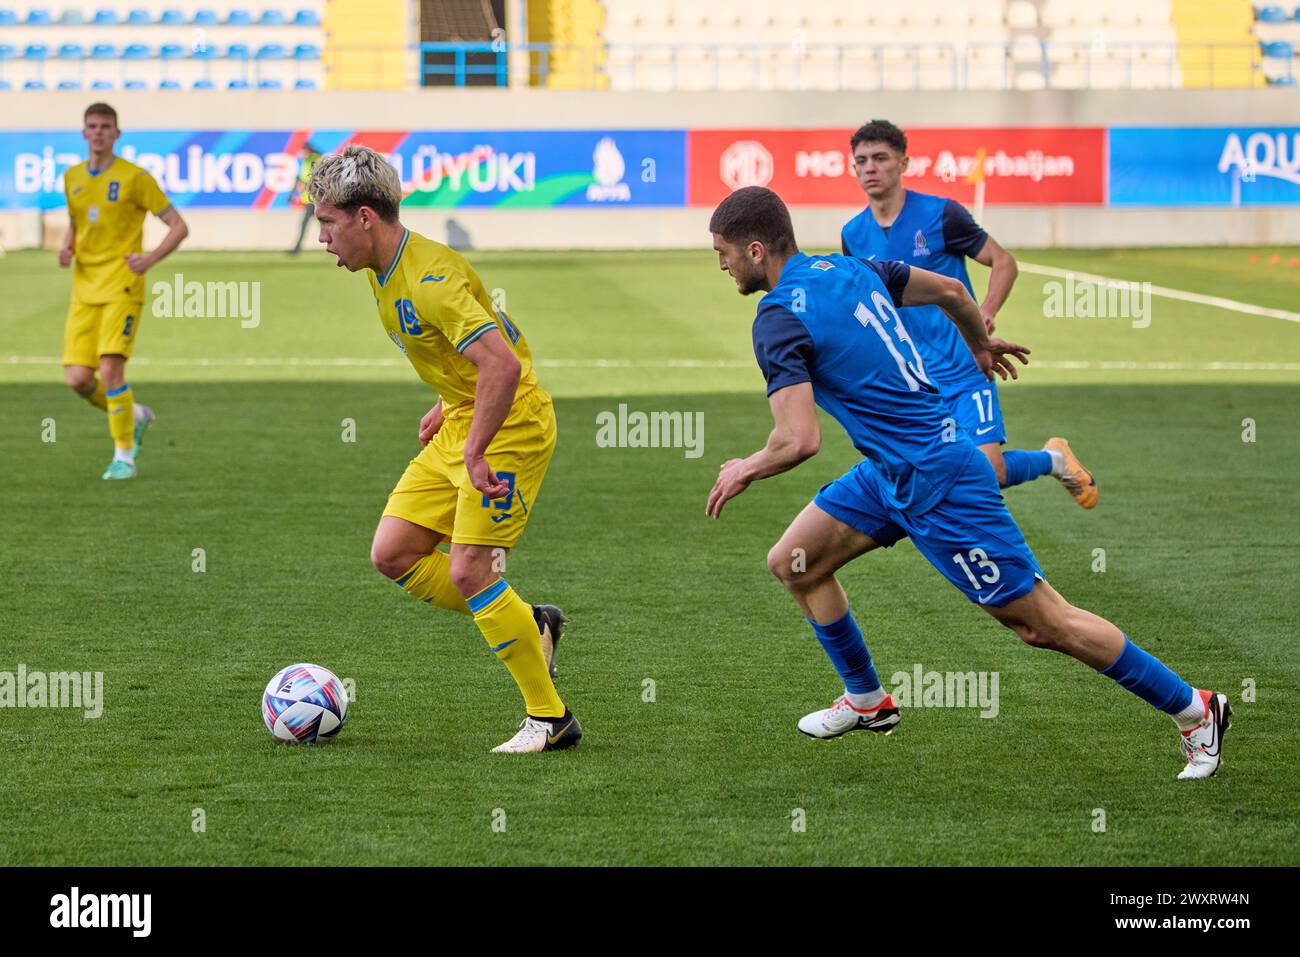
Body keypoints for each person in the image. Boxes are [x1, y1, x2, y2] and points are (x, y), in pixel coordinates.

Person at [706, 186, 1229, 780]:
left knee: (1042, 623)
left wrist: (745, 467)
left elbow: (798, 440)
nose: (720, 265)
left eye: (723, 253)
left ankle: (1195, 709)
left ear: (754, 250)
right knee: (796, 562)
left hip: (937, 479)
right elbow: (954, 291)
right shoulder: (850, 266)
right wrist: (979, 343)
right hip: (891, 471)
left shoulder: (776, 318)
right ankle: (868, 701)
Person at [309, 145, 579, 753]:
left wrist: (477, 448)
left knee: (469, 567)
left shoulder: (430, 279)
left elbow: (503, 366)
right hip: (467, 413)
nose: (322, 236)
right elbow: (474, 355)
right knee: (394, 552)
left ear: (365, 219)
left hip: (510, 425)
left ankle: (551, 719)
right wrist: (449, 397)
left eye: (327, 222)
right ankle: (532, 622)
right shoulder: (385, 269)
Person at [842, 119, 1096, 507]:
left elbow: (1003, 261)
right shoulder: (852, 234)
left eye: (880, 158)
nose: (870, 168)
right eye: (861, 161)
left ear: (903, 163)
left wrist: (986, 312)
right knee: (932, 475)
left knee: (989, 471)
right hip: (911, 379)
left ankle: (1053, 460)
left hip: (964, 364)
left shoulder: (942, 215)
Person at [59, 102, 188, 479]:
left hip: (122, 285)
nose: (98, 132)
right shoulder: (72, 177)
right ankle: (134, 414)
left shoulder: (136, 178)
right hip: (84, 288)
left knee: (110, 368)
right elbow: (75, 223)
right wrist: (68, 246)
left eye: (105, 126)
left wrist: (149, 260)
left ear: (117, 134)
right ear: (84, 133)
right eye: (92, 126)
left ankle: (124, 457)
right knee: (78, 379)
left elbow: (178, 226)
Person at [288, 141, 322, 255]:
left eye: (304, 151)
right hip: (309, 199)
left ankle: (296, 249)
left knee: (306, 224)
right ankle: (338, 246)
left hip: (314, 199)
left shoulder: (314, 160)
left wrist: (305, 184)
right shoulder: (306, 161)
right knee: (323, 224)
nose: (302, 153)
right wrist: (292, 194)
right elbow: (300, 177)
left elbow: (317, 178)